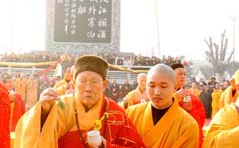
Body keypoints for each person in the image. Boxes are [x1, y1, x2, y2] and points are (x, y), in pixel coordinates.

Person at [14, 55, 145, 148]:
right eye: (82, 82)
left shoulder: (115, 111)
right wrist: (43, 112)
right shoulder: (61, 106)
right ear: (74, 83)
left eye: (94, 82)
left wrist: (106, 146)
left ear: (104, 85)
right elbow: (34, 135)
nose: (88, 88)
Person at [126, 64, 199, 148]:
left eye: (163, 86)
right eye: (152, 86)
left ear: (175, 87)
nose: (157, 92)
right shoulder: (130, 114)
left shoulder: (188, 125)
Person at [171, 63, 205, 147]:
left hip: (186, 136)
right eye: (179, 74)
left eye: (184, 74)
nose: (183, 76)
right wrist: (176, 97)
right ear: (170, 75)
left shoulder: (190, 97)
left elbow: (200, 121)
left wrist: (190, 110)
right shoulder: (163, 94)